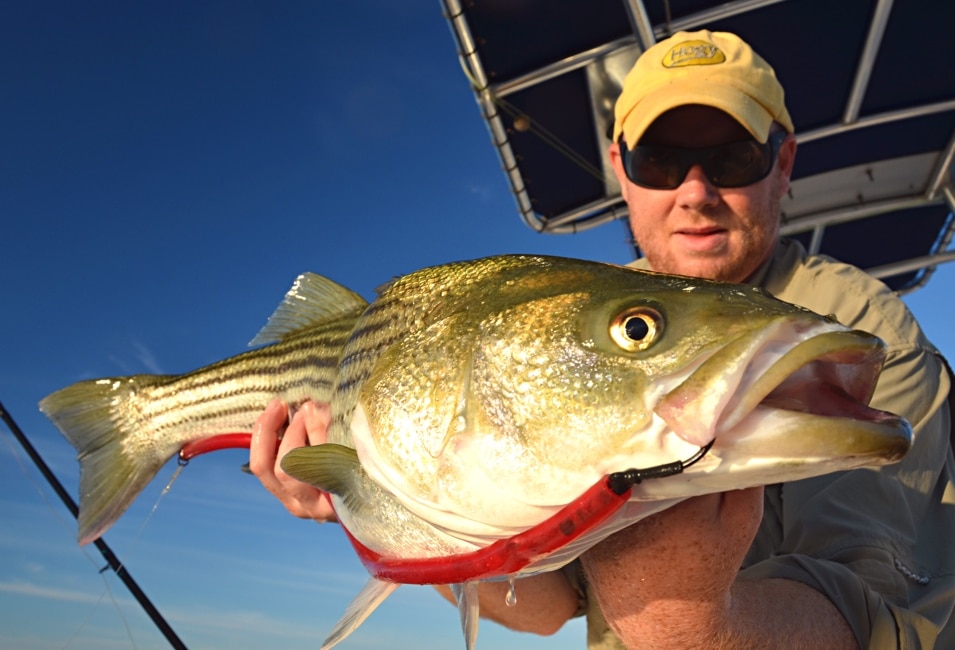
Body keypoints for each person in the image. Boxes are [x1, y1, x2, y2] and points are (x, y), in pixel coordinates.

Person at [249, 30, 955, 649]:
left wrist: (691, 630)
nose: (695, 191)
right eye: (659, 160)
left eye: (734, 157)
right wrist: (385, 512)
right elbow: (546, 607)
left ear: (784, 162)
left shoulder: (857, 327)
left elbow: (889, 608)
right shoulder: (565, 303)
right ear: (620, 168)